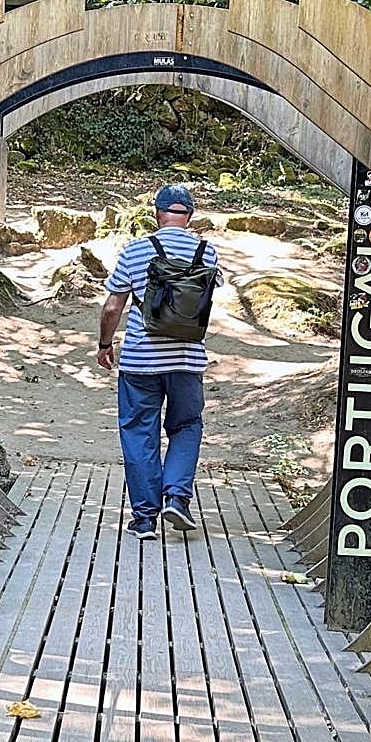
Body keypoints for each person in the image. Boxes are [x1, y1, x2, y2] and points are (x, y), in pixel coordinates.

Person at [96, 184, 220, 541]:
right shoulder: (206, 253)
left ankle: (145, 519)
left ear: (156, 214)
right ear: (190, 216)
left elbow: (112, 307)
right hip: (187, 359)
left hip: (139, 361)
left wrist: (106, 344)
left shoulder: (136, 250)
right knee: (186, 427)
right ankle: (177, 498)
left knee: (139, 433)